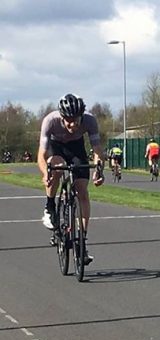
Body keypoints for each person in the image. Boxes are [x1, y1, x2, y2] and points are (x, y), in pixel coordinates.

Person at [37, 93, 105, 265]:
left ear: (82, 115)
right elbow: (41, 155)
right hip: (56, 147)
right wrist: (46, 174)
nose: (72, 124)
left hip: (76, 148)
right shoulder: (50, 121)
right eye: (68, 120)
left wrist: (99, 171)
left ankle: (81, 243)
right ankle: (50, 205)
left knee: (82, 191)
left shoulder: (90, 121)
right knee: (57, 167)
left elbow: (97, 150)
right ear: (61, 116)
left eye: (76, 119)